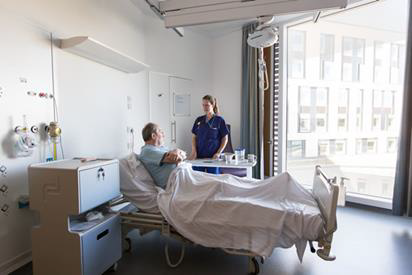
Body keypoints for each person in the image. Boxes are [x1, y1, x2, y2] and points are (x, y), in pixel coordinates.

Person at [188, 95, 229, 174]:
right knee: (197, 179)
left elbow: (225, 138)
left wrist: (218, 153)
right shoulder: (199, 120)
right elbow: (194, 137)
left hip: (213, 158)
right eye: (203, 105)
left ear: (213, 105)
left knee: (213, 181)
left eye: (207, 105)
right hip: (199, 157)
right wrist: (194, 151)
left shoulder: (219, 120)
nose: (204, 107)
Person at [139, 122, 186, 189]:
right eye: (160, 131)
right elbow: (178, 159)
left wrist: (176, 150)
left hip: (181, 177)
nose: (163, 135)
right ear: (153, 136)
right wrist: (176, 152)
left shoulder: (161, 148)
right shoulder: (147, 151)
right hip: (174, 182)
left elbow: (183, 155)